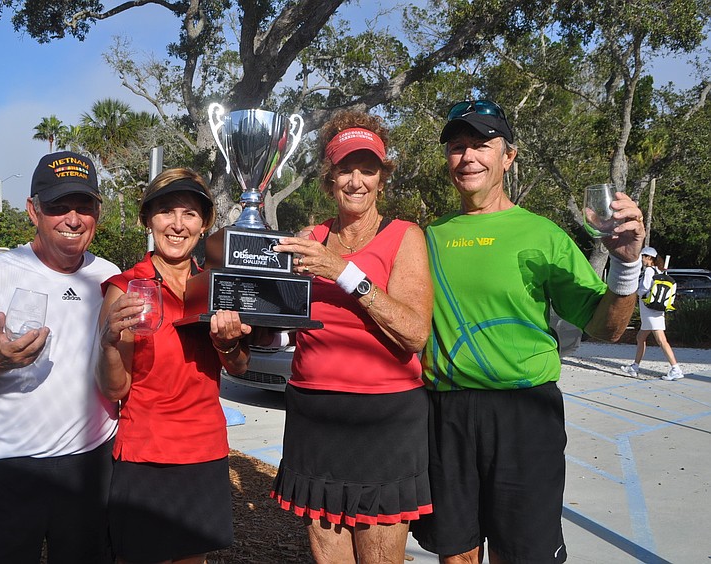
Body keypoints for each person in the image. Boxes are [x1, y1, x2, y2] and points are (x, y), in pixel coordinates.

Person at [409, 100, 646, 564]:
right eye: (457, 146)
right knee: (455, 553)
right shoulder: (425, 237)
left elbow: (608, 327)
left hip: (525, 414)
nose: (468, 156)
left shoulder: (543, 235)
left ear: (508, 157)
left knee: (522, 555)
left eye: (482, 144)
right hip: (445, 414)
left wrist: (626, 265)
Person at [0, 151, 120, 563]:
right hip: (11, 470)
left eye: (84, 206)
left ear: (97, 213)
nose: (73, 219)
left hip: (90, 470)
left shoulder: (110, 277)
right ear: (33, 211)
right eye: (58, 206)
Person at [271, 110, 434, 564]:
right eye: (346, 169)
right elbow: (276, 323)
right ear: (330, 178)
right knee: (328, 555)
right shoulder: (310, 238)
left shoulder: (405, 237)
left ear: (383, 178)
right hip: (314, 416)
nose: (357, 181)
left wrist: (344, 272)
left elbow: (415, 333)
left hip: (385, 420)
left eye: (368, 169)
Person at [96, 168, 251, 564]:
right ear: (148, 219)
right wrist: (108, 342)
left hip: (204, 450)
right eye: (166, 211)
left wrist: (228, 344)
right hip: (146, 454)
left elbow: (238, 367)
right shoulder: (126, 288)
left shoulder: (217, 285)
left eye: (190, 214)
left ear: (204, 224)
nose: (178, 225)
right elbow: (114, 389)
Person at [621, 246, 684, 380]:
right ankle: (634, 367)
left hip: (650, 311)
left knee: (661, 340)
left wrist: (635, 291)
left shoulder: (649, 271)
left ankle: (675, 369)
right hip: (656, 310)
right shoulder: (659, 271)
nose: (641, 259)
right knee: (640, 338)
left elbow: (644, 289)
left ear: (649, 258)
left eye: (643, 257)